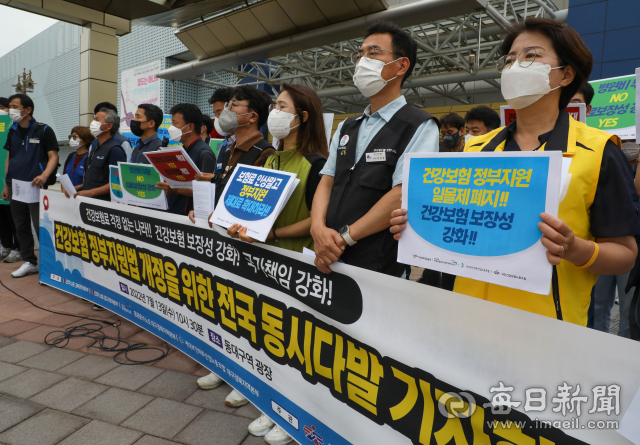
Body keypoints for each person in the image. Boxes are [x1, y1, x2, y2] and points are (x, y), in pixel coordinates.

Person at [391, 18, 640, 327]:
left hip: (545, 331)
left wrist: (575, 249)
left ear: (565, 74)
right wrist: (417, 223)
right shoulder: (475, 150)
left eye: (530, 56)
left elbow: (625, 254)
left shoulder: (599, 151)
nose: (514, 67)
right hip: (463, 322)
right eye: (509, 60)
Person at [223, 83, 328, 445]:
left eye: (282, 107)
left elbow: (317, 221)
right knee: (269, 332)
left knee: (296, 340)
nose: (275, 113)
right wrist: (237, 225)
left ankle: (293, 412)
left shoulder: (317, 164)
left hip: (296, 261)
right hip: (263, 259)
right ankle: (270, 400)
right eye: (275, 106)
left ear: (303, 117)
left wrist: (274, 234)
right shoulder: (269, 158)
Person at [310, 20, 439, 277]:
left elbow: (402, 194)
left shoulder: (419, 124)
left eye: (374, 53)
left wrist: (343, 239)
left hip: (377, 264)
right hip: (327, 256)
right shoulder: (348, 126)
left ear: (401, 65)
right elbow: (327, 181)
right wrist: (317, 229)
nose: (362, 61)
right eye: (360, 54)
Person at [1, 94, 59, 278]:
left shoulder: (44, 130)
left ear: (27, 110)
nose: (11, 110)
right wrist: (5, 184)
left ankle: (49, 263)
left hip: (36, 186)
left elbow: (53, 157)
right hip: (16, 185)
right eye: (9, 106)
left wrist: (44, 175)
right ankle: (29, 261)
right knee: (21, 225)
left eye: (15, 106)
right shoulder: (12, 130)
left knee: (40, 225)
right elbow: (9, 159)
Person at [588, 140, 640, 337]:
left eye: (632, 141)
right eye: (624, 142)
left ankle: (625, 350)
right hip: (601, 242)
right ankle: (596, 344)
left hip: (632, 245)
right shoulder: (603, 161)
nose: (627, 146)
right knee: (598, 304)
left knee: (628, 308)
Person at [210, 86, 275, 204]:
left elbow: (254, 202)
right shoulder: (230, 149)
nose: (227, 111)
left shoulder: (265, 153)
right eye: (228, 105)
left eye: (233, 105)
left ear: (253, 116)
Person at [155, 103, 216, 215]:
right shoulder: (181, 150)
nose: (171, 128)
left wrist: (176, 189)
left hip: (189, 219)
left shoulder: (204, 153)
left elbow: (206, 191)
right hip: (173, 214)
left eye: (175, 123)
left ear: (190, 127)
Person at [77, 108, 127, 201]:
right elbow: (93, 177)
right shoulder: (95, 147)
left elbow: (118, 182)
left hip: (103, 204)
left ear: (109, 126)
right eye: (93, 119)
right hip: (88, 201)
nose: (93, 123)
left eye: (97, 119)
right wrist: (80, 187)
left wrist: (91, 192)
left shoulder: (115, 150)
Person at [0, 97, 20, 264]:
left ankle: (18, 248)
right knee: (2, 217)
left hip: (13, 181)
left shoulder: (15, 128)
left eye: (3, 107)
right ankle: (5, 246)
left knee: (15, 217)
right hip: (1, 182)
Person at [61, 126, 94, 196]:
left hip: (82, 197)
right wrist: (64, 193)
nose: (72, 139)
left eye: (75, 137)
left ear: (85, 139)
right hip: (67, 197)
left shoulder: (90, 157)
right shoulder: (70, 156)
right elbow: (63, 178)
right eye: (71, 137)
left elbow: (90, 182)